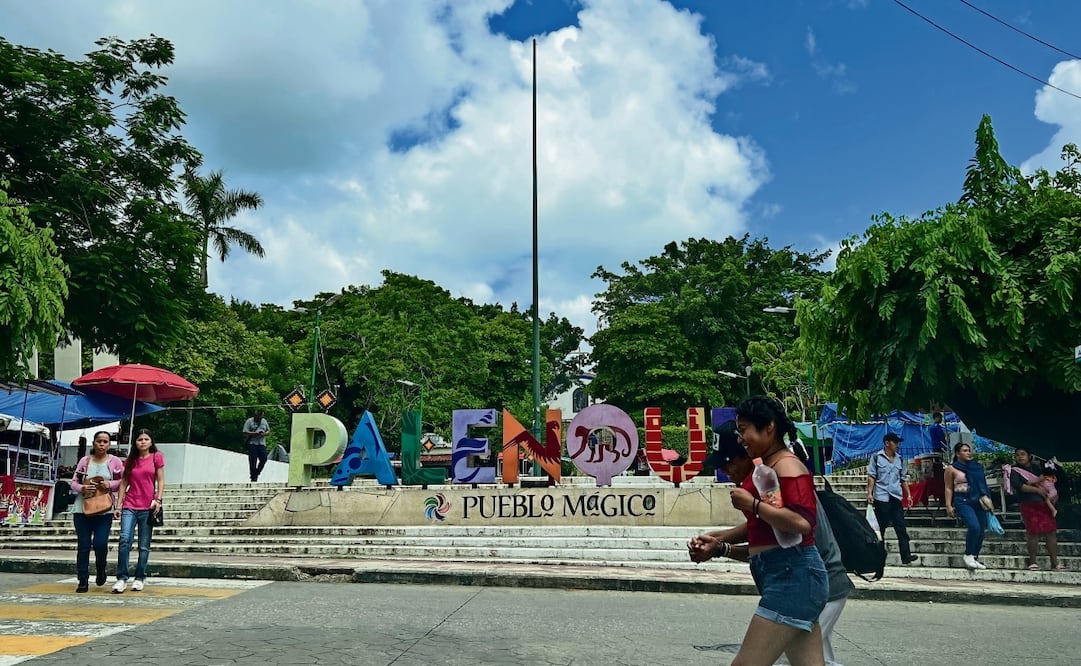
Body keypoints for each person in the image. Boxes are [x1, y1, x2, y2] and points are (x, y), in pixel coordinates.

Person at [690, 419, 852, 666]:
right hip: (801, 581)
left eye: (728, 462)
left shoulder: (780, 478)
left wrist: (725, 543)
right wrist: (719, 540)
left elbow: (785, 542)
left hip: (809, 581)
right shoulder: (764, 482)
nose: (726, 471)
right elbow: (762, 531)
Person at [69, 431, 124, 592]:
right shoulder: (84, 461)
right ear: (93, 443)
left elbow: (123, 480)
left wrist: (110, 484)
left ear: (109, 444)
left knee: (100, 543)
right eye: (99, 441)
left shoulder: (115, 462)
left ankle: (101, 568)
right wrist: (82, 488)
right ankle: (83, 579)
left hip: (104, 509)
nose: (102, 444)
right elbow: (73, 482)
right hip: (82, 508)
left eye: (105, 441)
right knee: (84, 544)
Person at [112, 429, 165, 594]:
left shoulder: (156, 457)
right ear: (135, 442)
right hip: (130, 504)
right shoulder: (130, 460)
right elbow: (123, 483)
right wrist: (119, 505)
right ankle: (122, 577)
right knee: (124, 540)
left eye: (146, 439)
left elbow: (161, 479)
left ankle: (140, 577)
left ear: (151, 441)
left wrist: (158, 499)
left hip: (148, 506)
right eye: (139, 439)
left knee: (144, 545)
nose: (142, 442)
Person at [866, 433, 918, 565]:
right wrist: (870, 493)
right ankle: (878, 556)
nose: (897, 445)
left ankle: (906, 555)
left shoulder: (900, 459)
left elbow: (903, 478)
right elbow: (872, 476)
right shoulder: (877, 457)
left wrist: (909, 495)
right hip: (881, 497)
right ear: (887, 443)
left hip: (895, 496)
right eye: (895, 442)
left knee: (900, 526)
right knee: (880, 528)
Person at [1010, 448, 1063, 571]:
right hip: (1029, 504)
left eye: (1023, 454)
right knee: (1033, 533)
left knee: (1051, 533)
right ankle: (1032, 562)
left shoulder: (1038, 469)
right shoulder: (1014, 471)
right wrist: (1038, 490)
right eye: (1017, 455)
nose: (1020, 457)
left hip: (1045, 504)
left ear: (1029, 456)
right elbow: (1020, 486)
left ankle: (1055, 563)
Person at [944, 442, 990, 570]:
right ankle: (968, 553)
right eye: (964, 450)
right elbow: (948, 487)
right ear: (958, 453)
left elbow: (983, 484)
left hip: (978, 500)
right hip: (962, 500)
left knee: (981, 529)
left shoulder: (976, 467)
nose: (968, 453)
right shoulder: (951, 469)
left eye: (969, 450)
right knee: (974, 526)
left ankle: (975, 556)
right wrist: (948, 504)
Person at [243, 409, 270, 482]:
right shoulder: (249, 421)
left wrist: (264, 434)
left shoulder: (264, 421)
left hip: (261, 443)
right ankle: (253, 477)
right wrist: (254, 433)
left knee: (264, 459)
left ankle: (256, 473)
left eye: (261, 417)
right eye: (258, 417)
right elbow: (245, 431)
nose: (260, 418)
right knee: (253, 461)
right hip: (252, 443)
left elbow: (268, 431)